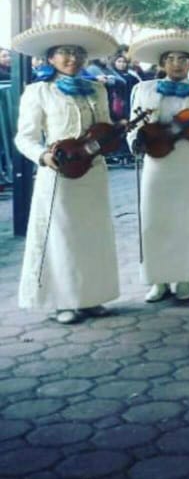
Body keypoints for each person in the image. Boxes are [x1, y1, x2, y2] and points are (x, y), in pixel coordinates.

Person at [12, 24, 122, 324]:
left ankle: (91, 297)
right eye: (64, 52)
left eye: (78, 53)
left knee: (93, 234)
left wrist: (116, 133)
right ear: (51, 58)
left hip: (93, 172)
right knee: (61, 237)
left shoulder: (97, 89)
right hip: (59, 173)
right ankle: (64, 302)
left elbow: (104, 129)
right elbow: (24, 137)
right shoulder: (38, 91)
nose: (72, 58)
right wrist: (43, 156)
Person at [127, 33, 189, 303]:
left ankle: (184, 278)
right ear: (162, 63)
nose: (177, 64)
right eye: (170, 59)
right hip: (157, 163)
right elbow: (133, 126)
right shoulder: (144, 89)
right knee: (155, 220)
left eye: (183, 59)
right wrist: (136, 142)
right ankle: (158, 281)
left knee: (186, 220)